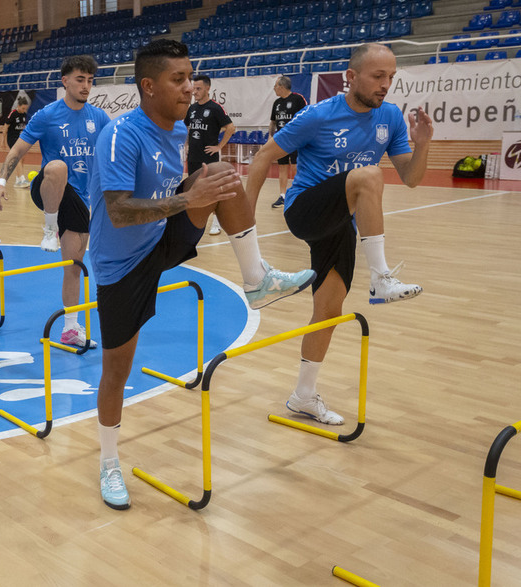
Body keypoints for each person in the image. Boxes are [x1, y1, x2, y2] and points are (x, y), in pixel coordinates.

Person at [88, 40, 315, 510]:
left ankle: (257, 280)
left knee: (220, 175)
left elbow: (180, 190)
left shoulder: (176, 131)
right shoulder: (120, 134)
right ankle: (109, 462)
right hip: (121, 265)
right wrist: (186, 202)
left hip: (161, 237)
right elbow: (117, 212)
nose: (189, 87)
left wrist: (194, 194)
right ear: (148, 86)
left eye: (190, 77)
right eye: (178, 79)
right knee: (116, 372)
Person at [245, 42, 430, 426]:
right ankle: (380, 279)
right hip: (305, 210)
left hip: (339, 219)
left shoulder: (390, 118)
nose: (386, 84)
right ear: (351, 77)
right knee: (368, 175)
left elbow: (412, 178)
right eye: (378, 76)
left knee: (328, 311)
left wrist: (423, 143)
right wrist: (244, 228)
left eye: (391, 77)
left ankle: (303, 396)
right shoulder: (318, 115)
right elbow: (264, 156)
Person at [0, 55, 110, 348]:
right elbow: (17, 150)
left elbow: (111, 157)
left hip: (80, 200)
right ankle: (48, 228)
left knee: (74, 265)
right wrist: (0, 181)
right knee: (57, 167)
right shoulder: (46, 115)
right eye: (80, 79)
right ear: (65, 81)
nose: (86, 85)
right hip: (46, 189)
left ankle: (70, 329)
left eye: (90, 80)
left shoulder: (99, 118)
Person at [185, 74, 235, 235]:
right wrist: (186, 143)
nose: (195, 92)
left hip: (209, 158)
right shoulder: (192, 109)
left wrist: (219, 146)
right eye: (194, 89)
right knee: (192, 189)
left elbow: (230, 128)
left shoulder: (215, 108)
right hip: (193, 156)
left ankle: (216, 221)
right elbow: (187, 128)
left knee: (212, 190)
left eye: (198, 89)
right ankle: (193, 222)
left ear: (207, 88)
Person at [268, 75, 308, 208]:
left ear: (282, 86)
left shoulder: (298, 99)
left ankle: (300, 193)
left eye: (275, 86)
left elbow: (306, 117)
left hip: (296, 140)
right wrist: (270, 136)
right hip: (281, 140)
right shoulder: (277, 103)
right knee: (282, 167)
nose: (274, 88)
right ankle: (282, 196)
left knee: (296, 166)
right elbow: (273, 122)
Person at [4, 96, 31, 187]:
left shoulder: (24, 115)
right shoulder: (13, 114)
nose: (24, 110)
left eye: (25, 109)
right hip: (12, 139)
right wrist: (2, 141)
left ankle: (17, 179)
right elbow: (5, 127)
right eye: (23, 108)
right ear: (18, 106)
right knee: (18, 158)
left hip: (20, 139)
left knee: (22, 158)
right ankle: (21, 179)